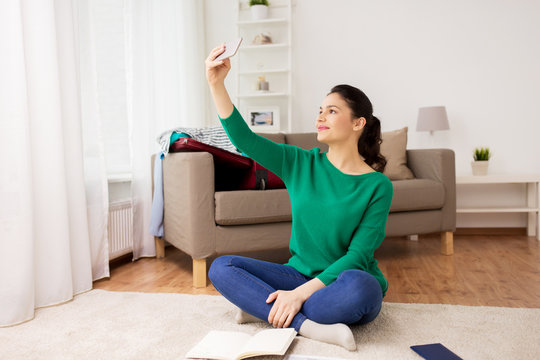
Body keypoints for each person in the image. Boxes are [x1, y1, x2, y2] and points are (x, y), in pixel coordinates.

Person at [204, 43, 393, 351]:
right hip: (295, 274)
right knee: (222, 267)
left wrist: (299, 294)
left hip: (342, 281)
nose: (321, 116)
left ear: (358, 123)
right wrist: (216, 83)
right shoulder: (299, 162)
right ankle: (304, 326)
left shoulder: (377, 186)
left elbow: (358, 257)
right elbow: (244, 140)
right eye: (320, 110)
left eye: (332, 111)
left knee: (364, 289)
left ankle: (264, 308)